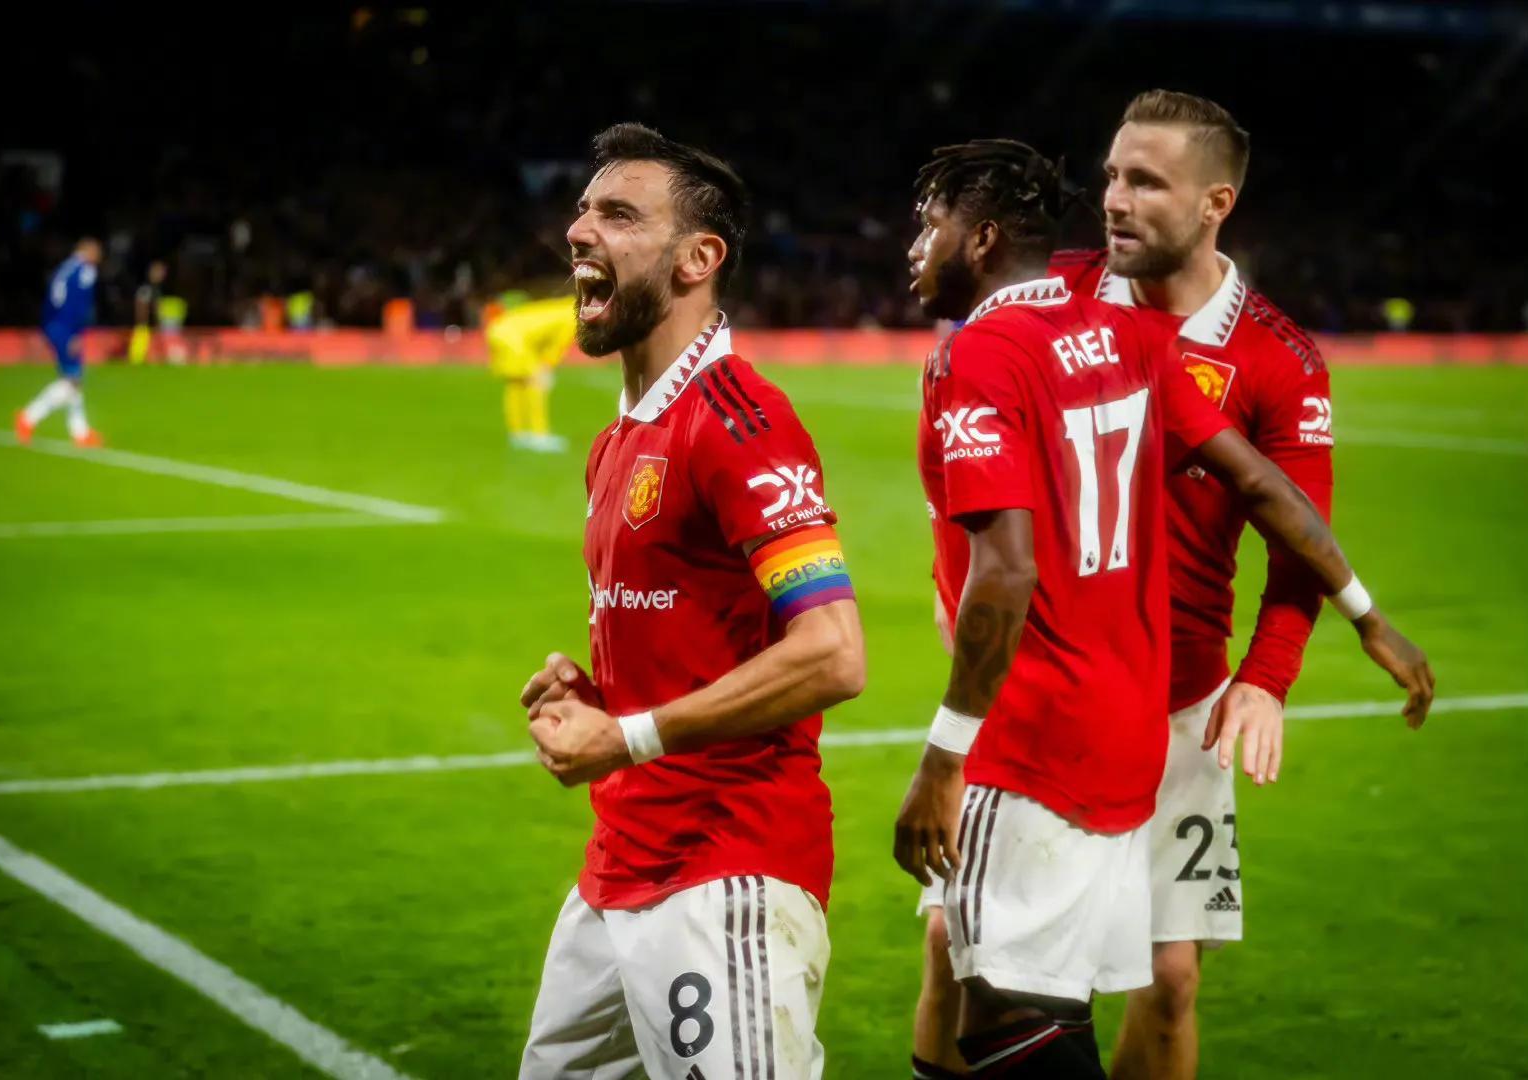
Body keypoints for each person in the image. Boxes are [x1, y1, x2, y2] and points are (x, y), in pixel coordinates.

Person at [894, 139, 1434, 1079]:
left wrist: (944, 753)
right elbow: (1259, 484)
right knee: (1020, 982)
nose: (913, 248)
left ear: (981, 240)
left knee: (1015, 1003)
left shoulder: (982, 353)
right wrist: (1365, 612)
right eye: (1111, 177)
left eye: (929, 226)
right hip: (1127, 722)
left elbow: (1007, 571)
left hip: (1039, 724)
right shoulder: (1136, 340)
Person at [517, 123, 865, 1080]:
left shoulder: (738, 423)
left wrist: (626, 736)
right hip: (620, 867)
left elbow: (834, 653)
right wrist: (599, 696)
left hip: (725, 874)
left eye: (619, 214)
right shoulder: (620, 439)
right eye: (582, 210)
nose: (579, 230)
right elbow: (691, 635)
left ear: (696, 260)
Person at [16, 238, 103, 448]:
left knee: (73, 380)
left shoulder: (65, 268)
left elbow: (54, 299)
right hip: (66, 327)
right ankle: (29, 416)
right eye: (97, 252)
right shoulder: (85, 270)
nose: (99, 257)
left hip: (53, 324)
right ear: (87, 250)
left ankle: (80, 432)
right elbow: (77, 305)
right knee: (72, 380)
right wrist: (74, 332)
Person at [487, 292, 576, 452]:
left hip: (499, 329)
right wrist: (547, 366)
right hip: (515, 339)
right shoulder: (572, 316)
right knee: (537, 384)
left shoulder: (561, 306)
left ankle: (517, 434)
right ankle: (539, 435)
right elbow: (557, 345)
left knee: (516, 385)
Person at [128, 260, 166, 365]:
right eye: (158, 272)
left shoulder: (156, 289)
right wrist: (142, 322)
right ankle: (136, 360)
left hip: (150, 325)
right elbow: (140, 306)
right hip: (143, 325)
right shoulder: (146, 288)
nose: (161, 275)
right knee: (139, 346)